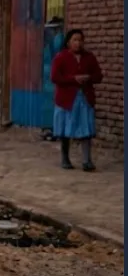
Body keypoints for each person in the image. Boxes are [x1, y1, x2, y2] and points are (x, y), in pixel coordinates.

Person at [50, 29, 103, 171]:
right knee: (65, 129)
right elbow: (55, 77)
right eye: (75, 40)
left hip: (84, 98)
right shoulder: (61, 57)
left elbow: (99, 76)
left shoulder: (89, 57)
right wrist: (73, 79)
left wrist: (88, 78)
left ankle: (86, 161)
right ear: (68, 42)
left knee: (86, 129)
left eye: (80, 40)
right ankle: (65, 158)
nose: (78, 43)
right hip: (67, 99)